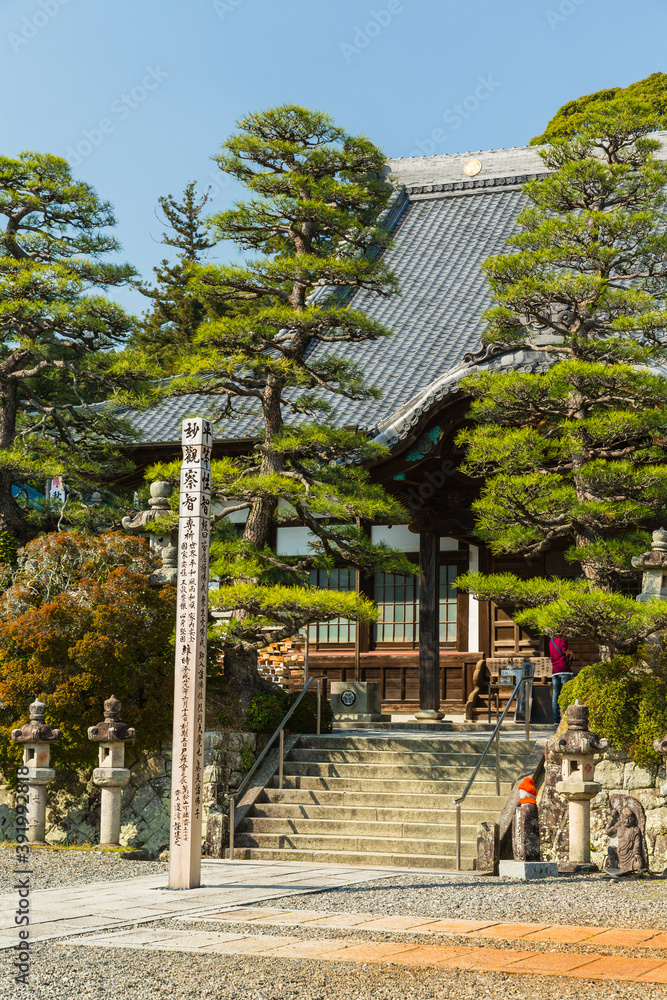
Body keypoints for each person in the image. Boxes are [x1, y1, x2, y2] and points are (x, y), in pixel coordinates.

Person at [549, 635, 574, 726]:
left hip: (555, 670)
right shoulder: (562, 639)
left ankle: (556, 719)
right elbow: (564, 650)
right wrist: (571, 652)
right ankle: (564, 716)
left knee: (555, 695)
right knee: (565, 693)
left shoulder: (551, 641)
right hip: (564, 669)